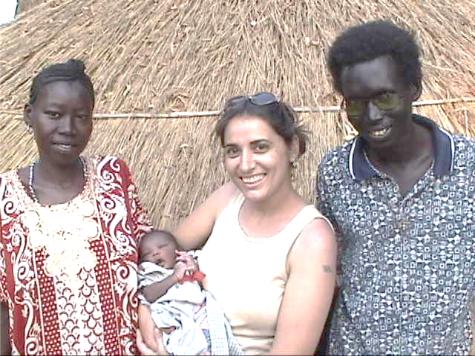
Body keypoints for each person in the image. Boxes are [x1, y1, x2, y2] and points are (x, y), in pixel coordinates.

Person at [317, 20, 475, 355]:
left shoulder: (468, 166)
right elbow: (327, 270)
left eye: (384, 98)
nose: (371, 115)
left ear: (413, 88)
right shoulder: (335, 173)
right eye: (356, 103)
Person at [138, 92, 337, 355]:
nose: (245, 165)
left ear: (292, 148)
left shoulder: (311, 239)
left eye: (260, 147)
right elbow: (157, 259)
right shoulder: (228, 198)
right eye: (233, 151)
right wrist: (146, 313)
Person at [0, 59, 152, 355]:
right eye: (54, 114)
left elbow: (149, 263)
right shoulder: (3, 198)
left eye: (81, 116)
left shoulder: (114, 178)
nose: (68, 128)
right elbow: (3, 309)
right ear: (29, 115)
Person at [138, 229, 241, 355]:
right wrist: (174, 277)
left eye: (162, 246)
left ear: (177, 250)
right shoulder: (151, 274)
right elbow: (148, 295)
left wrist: (195, 270)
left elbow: (201, 284)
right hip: (176, 322)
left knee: (215, 338)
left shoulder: (186, 263)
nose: (155, 253)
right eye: (147, 254)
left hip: (200, 317)